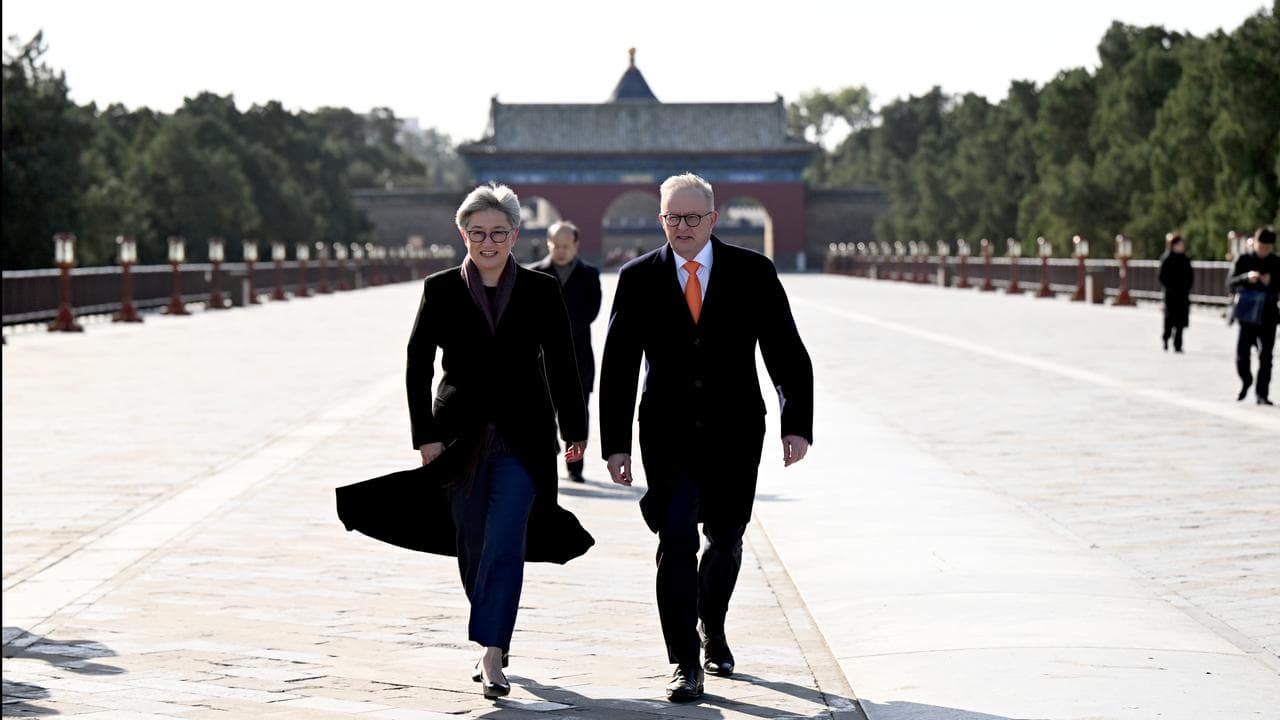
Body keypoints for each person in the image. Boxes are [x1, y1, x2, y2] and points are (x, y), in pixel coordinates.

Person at [599, 173, 814, 702]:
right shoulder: (638, 277)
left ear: (713, 219)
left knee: (727, 538)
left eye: (693, 218)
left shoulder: (752, 272)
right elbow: (619, 365)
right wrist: (615, 443)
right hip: (667, 434)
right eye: (673, 218)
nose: (683, 227)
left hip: (735, 430)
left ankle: (711, 626)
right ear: (661, 219)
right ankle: (684, 662)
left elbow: (786, 349)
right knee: (675, 541)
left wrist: (796, 422)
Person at [406, 183, 589, 698]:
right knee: (471, 543)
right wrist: (425, 436)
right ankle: (493, 627)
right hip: (457, 438)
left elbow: (561, 363)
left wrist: (575, 431)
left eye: (499, 233)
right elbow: (417, 364)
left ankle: (492, 653)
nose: (488, 243)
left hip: (524, 438)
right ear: (464, 234)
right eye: (478, 233)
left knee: (506, 540)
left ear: (515, 234)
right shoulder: (440, 288)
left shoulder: (540, 290)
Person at [529, 220, 603, 483]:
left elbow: (590, 311)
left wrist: (556, 330)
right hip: (540, 360)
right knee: (541, 414)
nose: (560, 251)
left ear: (576, 245)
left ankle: (575, 467)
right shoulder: (534, 274)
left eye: (565, 246)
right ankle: (548, 456)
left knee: (578, 414)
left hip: (578, 358)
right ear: (548, 245)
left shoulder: (590, 275)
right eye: (555, 245)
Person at [1229, 226, 1279, 404]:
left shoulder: (1276, 262)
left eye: (1267, 248)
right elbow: (1230, 282)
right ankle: (1246, 380)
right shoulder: (1243, 259)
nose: (1264, 251)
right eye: (1261, 246)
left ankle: (1262, 394)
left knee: (1266, 356)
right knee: (1242, 355)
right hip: (1247, 315)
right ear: (1255, 243)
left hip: (1268, 315)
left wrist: (1270, 281)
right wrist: (1246, 278)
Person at [1158, 233, 1193, 352]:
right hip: (1171, 294)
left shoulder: (1185, 259)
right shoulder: (1167, 259)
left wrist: (1187, 287)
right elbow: (1162, 276)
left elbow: (1190, 276)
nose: (1181, 246)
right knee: (1169, 320)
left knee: (1180, 321)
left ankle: (1178, 344)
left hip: (1183, 295)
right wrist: (1169, 287)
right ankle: (1166, 338)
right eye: (1179, 244)